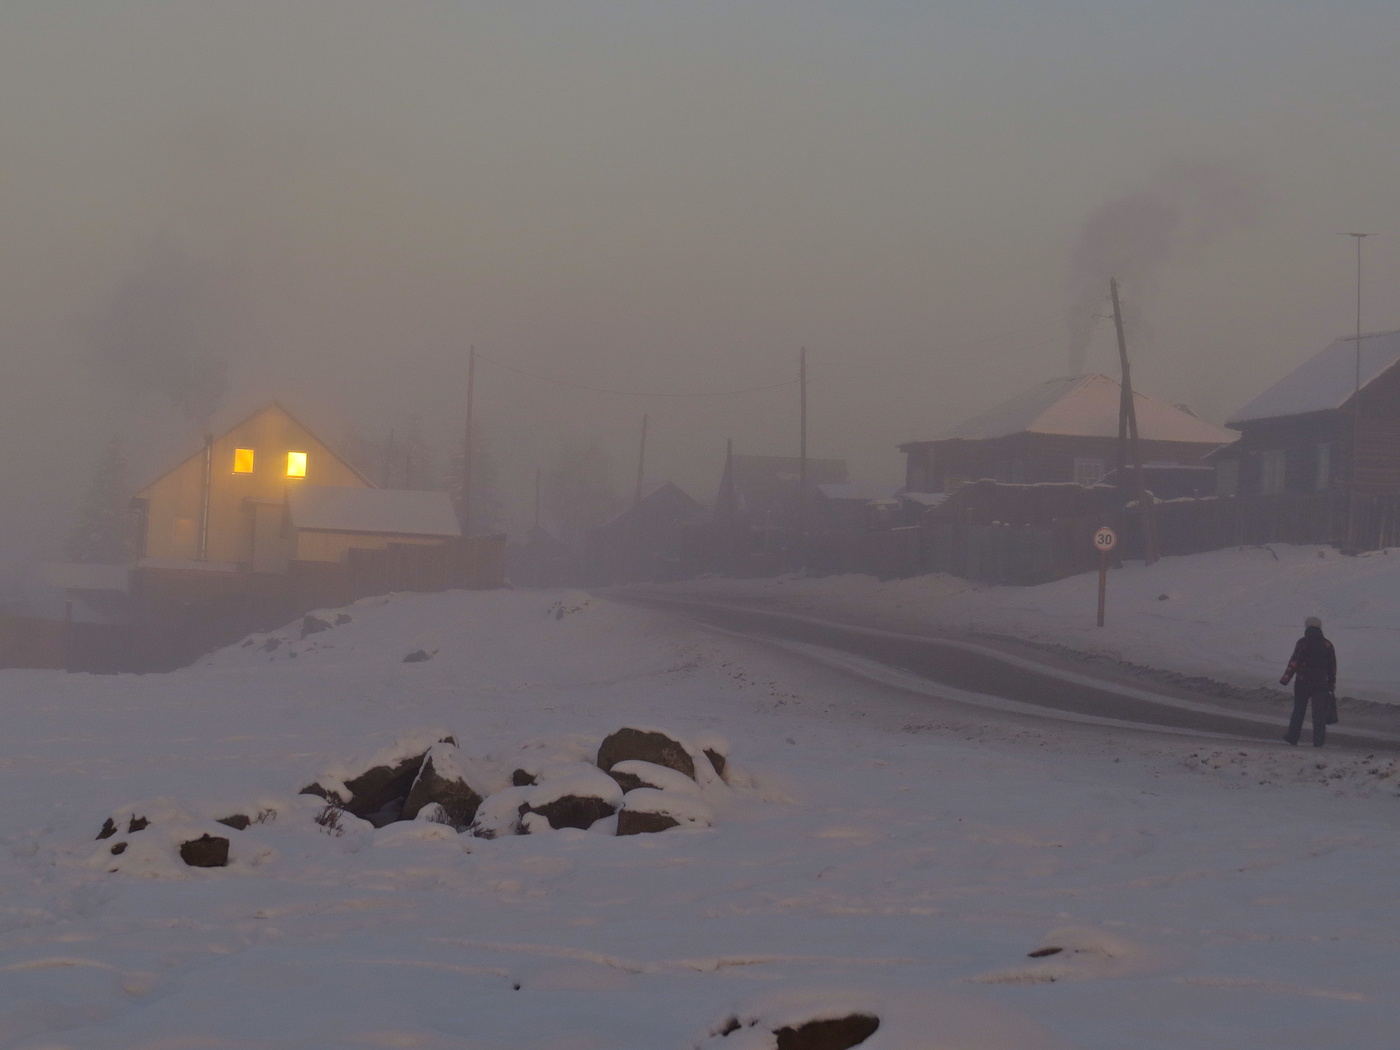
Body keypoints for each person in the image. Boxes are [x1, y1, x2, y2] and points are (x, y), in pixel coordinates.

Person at [1279, 616, 1336, 747]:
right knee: (1319, 714)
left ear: (1307, 627)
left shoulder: (1302, 643)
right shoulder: (1327, 644)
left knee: (1299, 710)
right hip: (1321, 683)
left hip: (1302, 681)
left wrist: (1285, 679)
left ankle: (1293, 737)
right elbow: (1332, 667)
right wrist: (1331, 684)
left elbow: (1294, 662)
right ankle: (1318, 741)